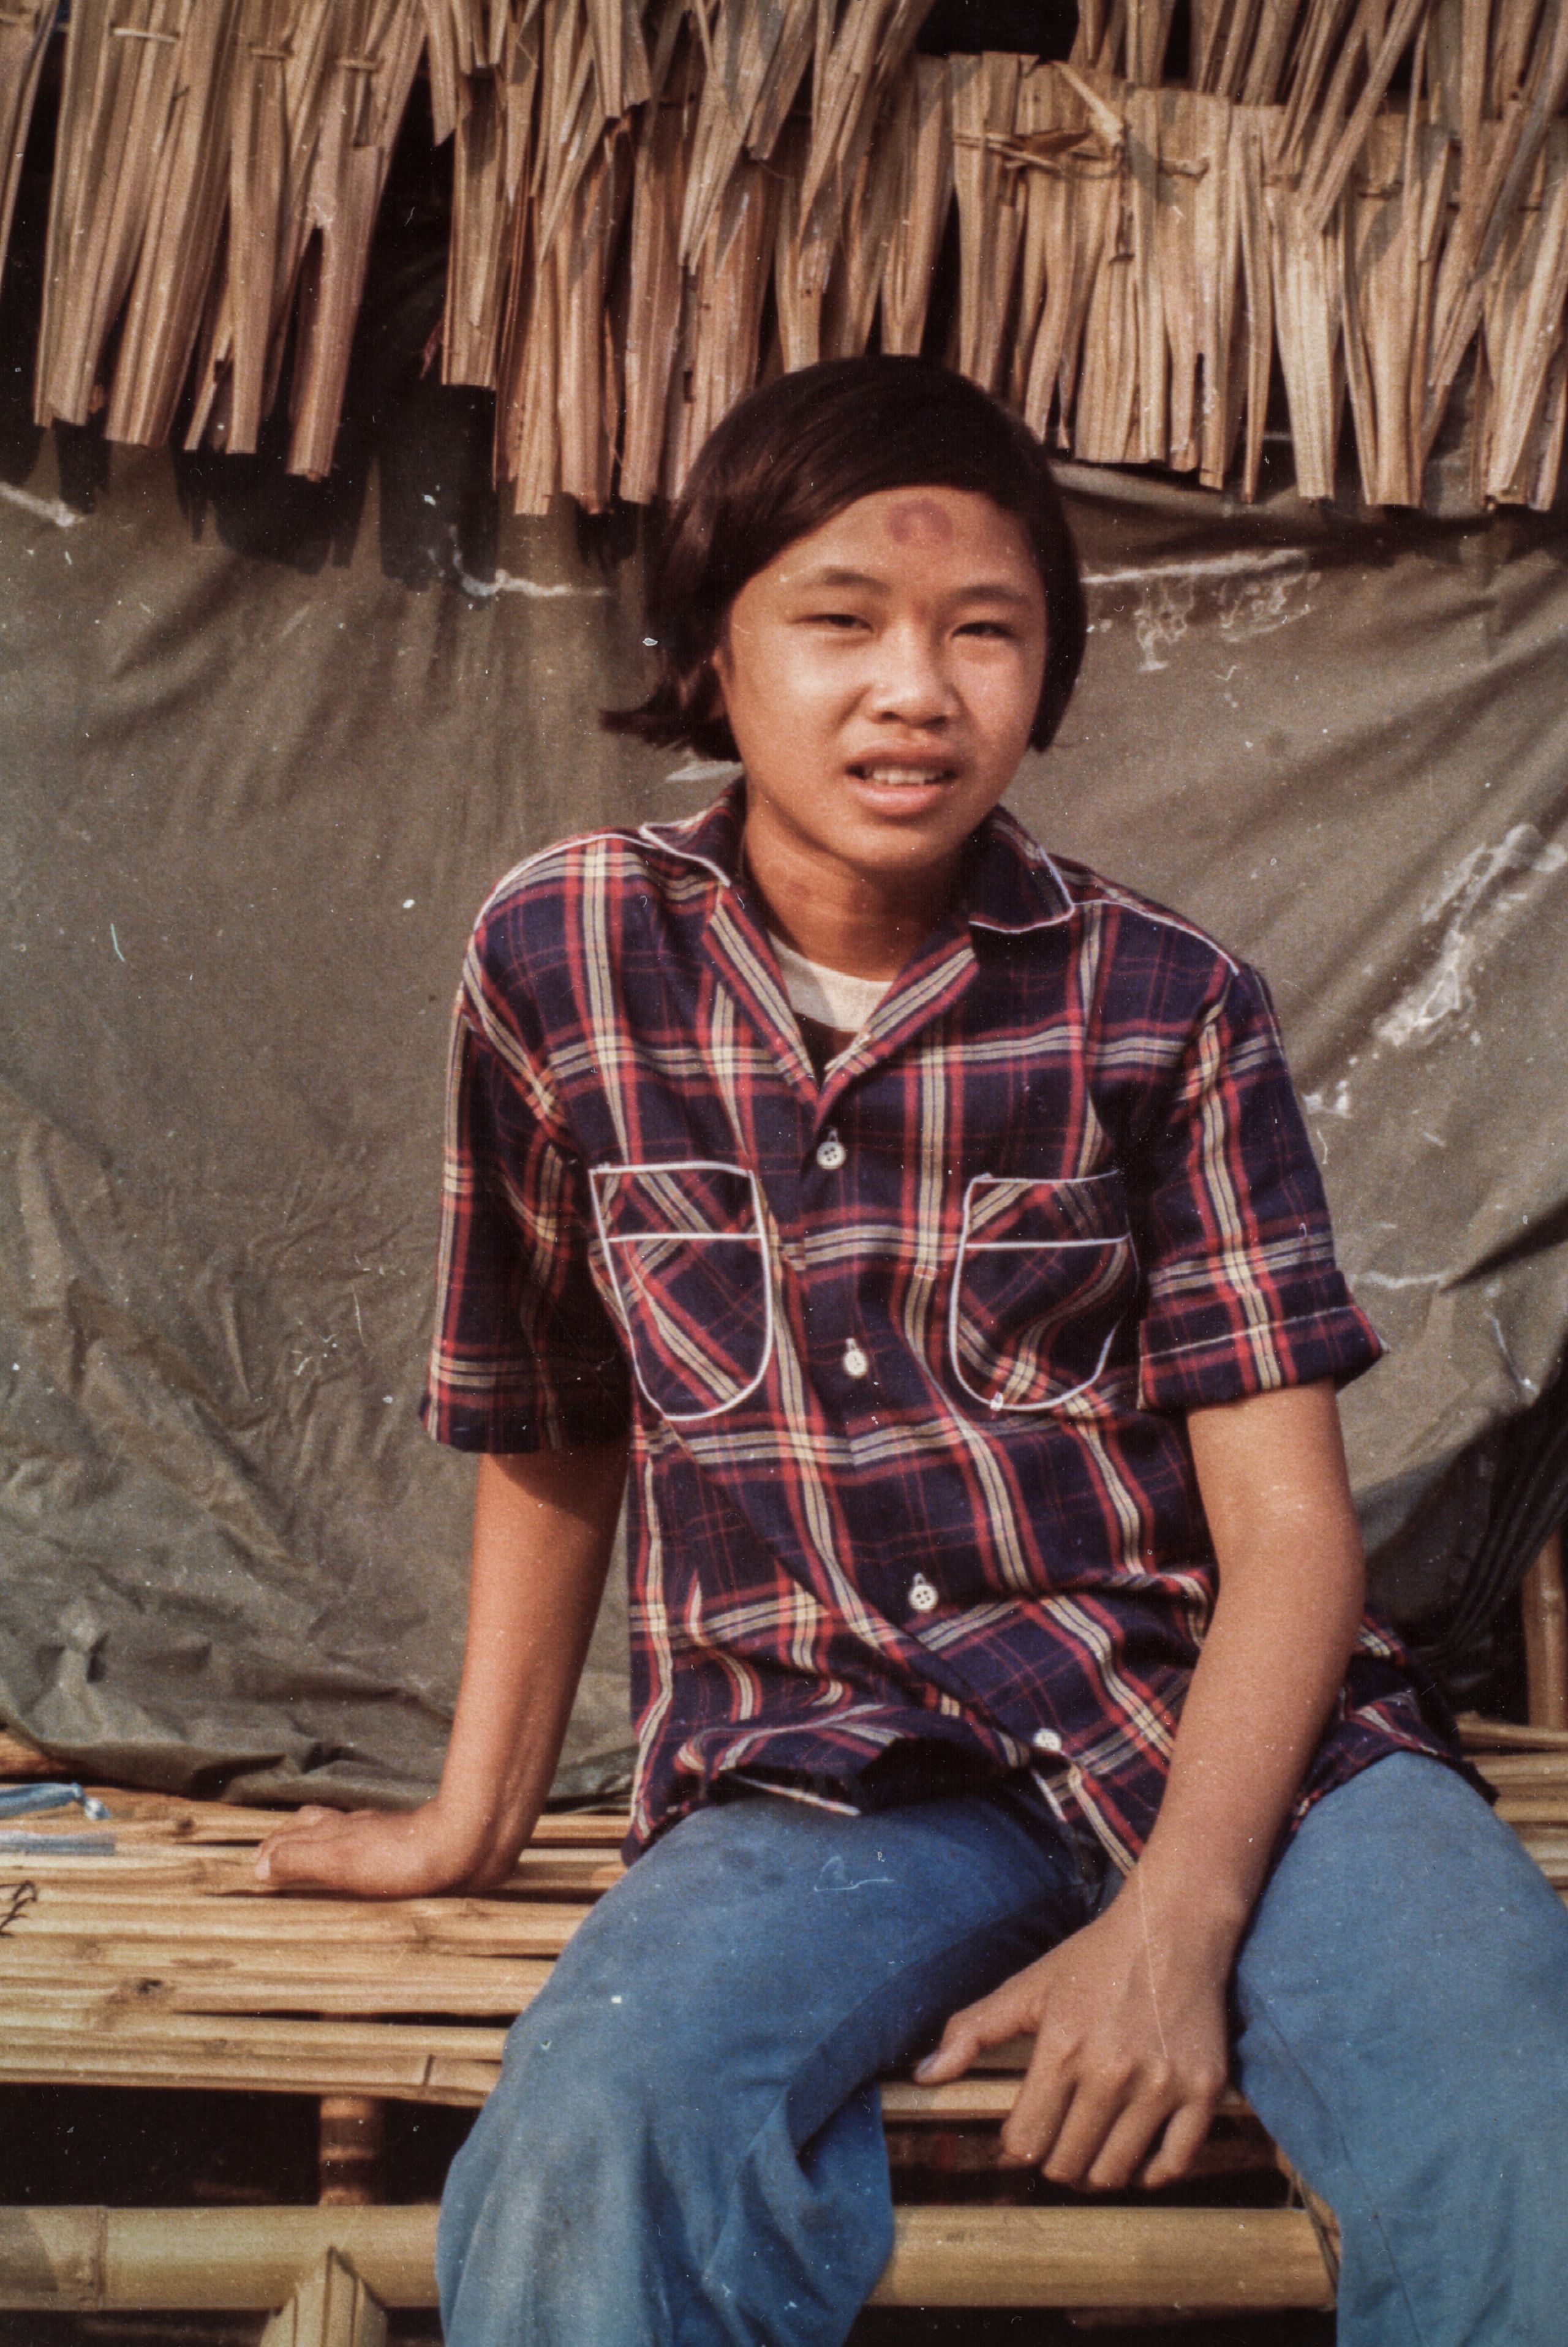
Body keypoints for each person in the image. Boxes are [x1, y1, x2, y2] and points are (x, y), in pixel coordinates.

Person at [257, 357, 1568, 2346]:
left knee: (1521, 2138)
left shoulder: (1168, 1004)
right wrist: (472, 1816)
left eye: (987, 634)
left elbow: (1292, 1538)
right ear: (710, 650)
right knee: (602, 2139)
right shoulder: (567, 958)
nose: (917, 690)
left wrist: (1174, 1928)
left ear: (1046, 675)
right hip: (823, 1779)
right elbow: (553, 1416)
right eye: (841, 621)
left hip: (1231, 1752)